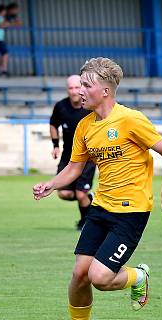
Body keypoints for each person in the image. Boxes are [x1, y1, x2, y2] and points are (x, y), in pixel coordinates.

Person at [33, 57, 162, 320]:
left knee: (100, 278)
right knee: (80, 273)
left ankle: (138, 277)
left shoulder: (130, 119)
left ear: (105, 90)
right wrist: (51, 184)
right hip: (101, 207)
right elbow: (75, 168)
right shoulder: (85, 126)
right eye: (79, 85)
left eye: (86, 85)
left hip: (131, 212)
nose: (79, 91)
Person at [49, 75, 95, 230]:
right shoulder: (61, 106)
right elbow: (53, 124)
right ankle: (89, 199)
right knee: (63, 193)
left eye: (77, 87)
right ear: (67, 89)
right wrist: (55, 145)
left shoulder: (90, 107)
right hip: (68, 156)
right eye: (71, 88)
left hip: (87, 157)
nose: (74, 91)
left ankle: (85, 221)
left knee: (80, 194)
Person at [0, 4, 20, 76]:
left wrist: (9, 23)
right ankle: (4, 70)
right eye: (5, 11)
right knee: (5, 53)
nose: (5, 13)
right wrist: (9, 23)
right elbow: (1, 25)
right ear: (2, 11)